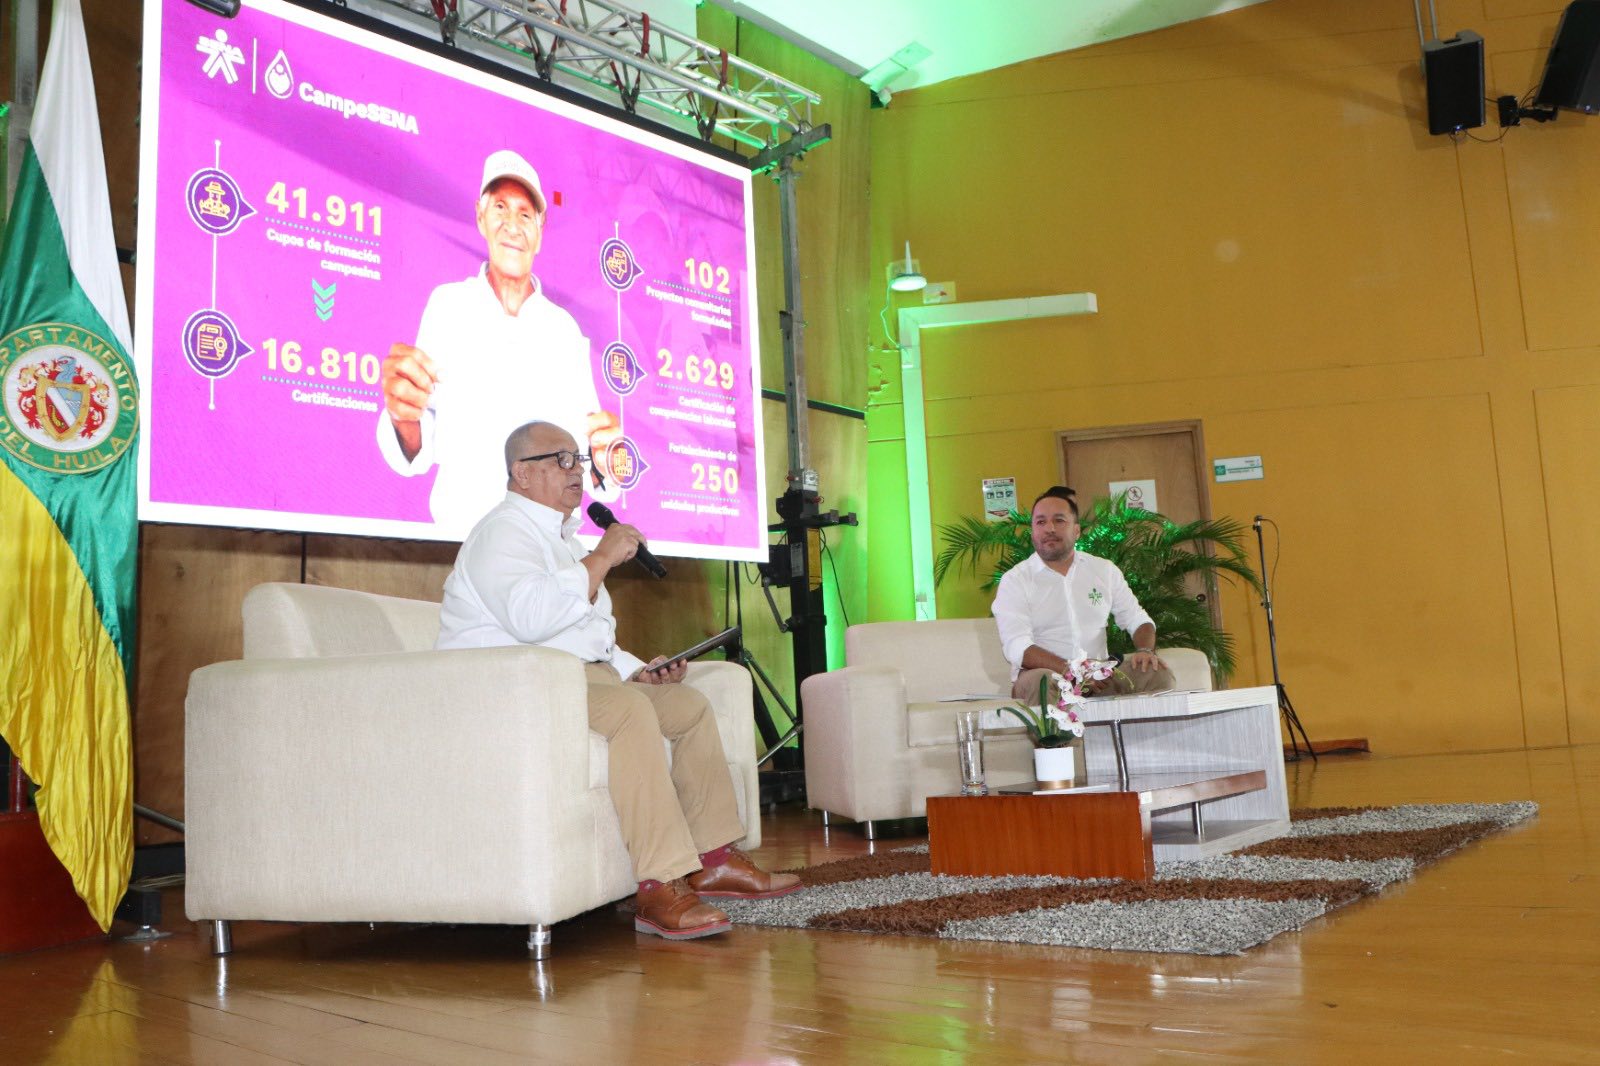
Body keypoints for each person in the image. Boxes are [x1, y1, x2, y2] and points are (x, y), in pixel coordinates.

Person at [435, 420, 800, 940]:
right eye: (561, 459)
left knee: (688, 707)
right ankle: (659, 885)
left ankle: (713, 859)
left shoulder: (562, 539)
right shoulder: (502, 533)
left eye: (578, 459)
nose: (576, 471)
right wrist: (603, 557)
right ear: (521, 473)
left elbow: (588, 634)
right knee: (632, 713)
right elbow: (531, 621)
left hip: (576, 678)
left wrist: (637, 670)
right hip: (515, 690)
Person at [378, 149, 621, 535]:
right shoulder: (448, 306)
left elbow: (589, 456)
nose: (512, 226)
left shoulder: (564, 330)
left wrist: (606, 458)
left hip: (548, 549)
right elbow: (418, 435)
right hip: (464, 540)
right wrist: (403, 416)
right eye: (501, 209)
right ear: (481, 217)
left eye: (525, 215)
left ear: (540, 230)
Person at [992, 486, 1176, 701]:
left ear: (1077, 530)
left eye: (1059, 520)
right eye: (1041, 522)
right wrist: (1072, 670)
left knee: (1156, 674)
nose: (1049, 528)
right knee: (1043, 682)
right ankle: (1058, 725)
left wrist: (1145, 650)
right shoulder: (1016, 580)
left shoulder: (1103, 570)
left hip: (1099, 676)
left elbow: (1137, 619)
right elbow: (1017, 646)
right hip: (1046, 675)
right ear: (1032, 533)